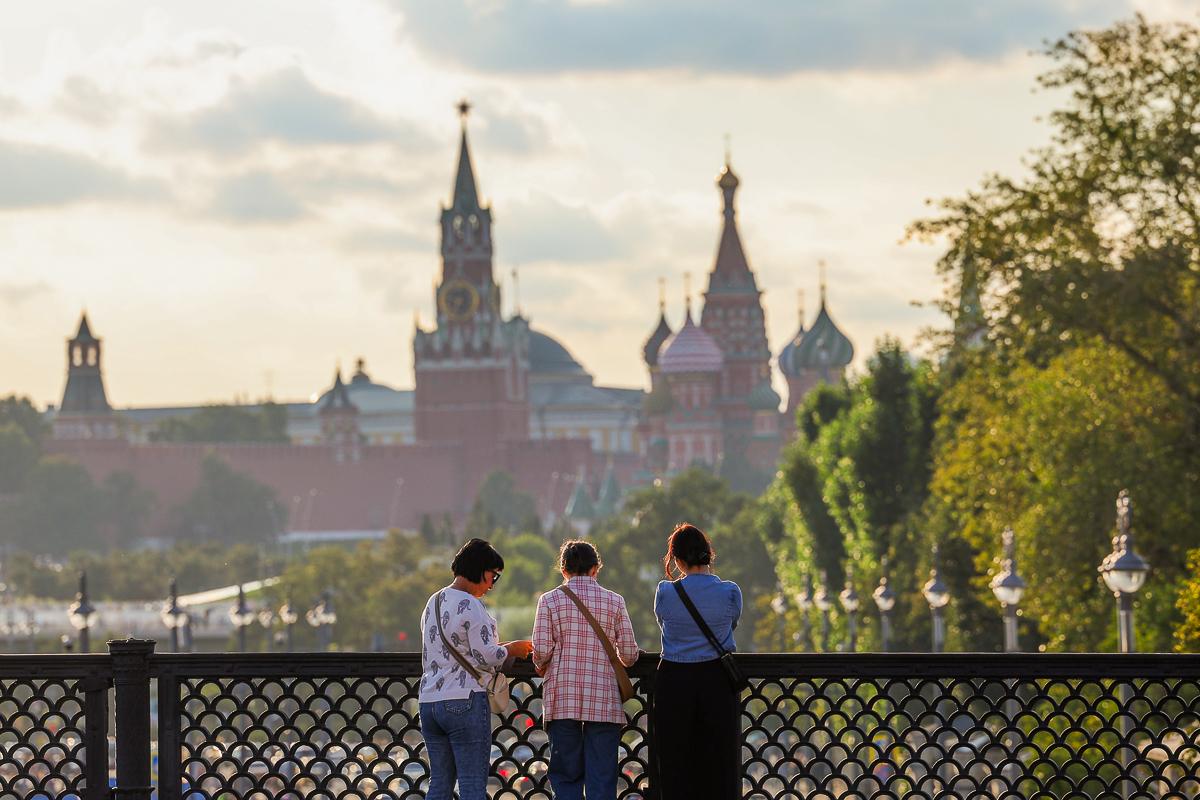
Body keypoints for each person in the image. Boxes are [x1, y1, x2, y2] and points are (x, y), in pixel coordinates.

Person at [419, 538, 533, 800]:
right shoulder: (471, 604)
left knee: (439, 784)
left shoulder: (433, 602)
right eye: (494, 576)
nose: (492, 585)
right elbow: (486, 656)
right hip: (464, 700)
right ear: (481, 570)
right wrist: (513, 649)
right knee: (471, 785)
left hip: (429, 701)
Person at [532, 540, 639, 800]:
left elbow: (542, 651)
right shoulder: (614, 601)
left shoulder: (549, 601)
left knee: (566, 778)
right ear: (595, 569)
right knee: (602, 780)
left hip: (563, 699)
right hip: (603, 700)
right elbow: (628, 655)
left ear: (563, 569)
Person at [652, 523, 743, 800]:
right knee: (719, 757)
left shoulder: (666, 592)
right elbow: (732, 624)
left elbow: (663, 623)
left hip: (674, 680)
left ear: (677, 560)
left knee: (675, 760)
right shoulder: (730, 592)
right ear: (708, 555)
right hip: (716, 679)